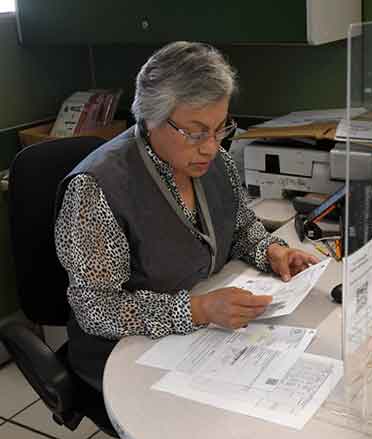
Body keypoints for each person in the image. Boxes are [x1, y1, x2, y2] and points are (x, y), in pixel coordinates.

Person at [55, 42, 318, 391]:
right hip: (124, 355)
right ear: (151, 117)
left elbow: (241, 228)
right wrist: (198, 310)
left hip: (202, 342)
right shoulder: (96, 190)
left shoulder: (216, 164)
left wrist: (273, 252)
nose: (211, 145)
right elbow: (97, 308)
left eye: (221, 128)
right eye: (195, 132)